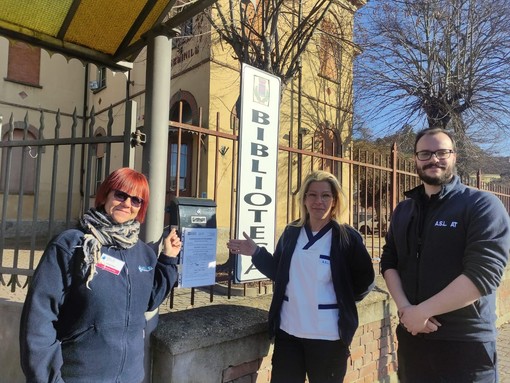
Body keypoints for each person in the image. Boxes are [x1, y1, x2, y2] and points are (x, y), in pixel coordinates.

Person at [19, 167, 182, 383]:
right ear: (105, 195)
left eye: (136, 200)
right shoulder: (72, 245)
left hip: (130, 376)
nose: (127, 203)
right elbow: (39, 319)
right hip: (79, 375)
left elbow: (149, 301)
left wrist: (168, 260)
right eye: (121, 194)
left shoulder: (143, 253)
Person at [380, 127, 510, 382]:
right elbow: (389, 261)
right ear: (415, 159)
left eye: (442, 152)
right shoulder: (403, 210)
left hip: (465, 344)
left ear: (454, 156)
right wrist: (407, 310)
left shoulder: (481, 205)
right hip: (413, 339)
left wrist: (422, 312)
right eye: (425, 153)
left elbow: (483, 275)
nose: (433, 159)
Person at [227, 170, 375, 383]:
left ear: (334, 201)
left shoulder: (346, 237)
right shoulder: (292, 232)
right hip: (289, 333)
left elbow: (365, 282)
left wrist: (341, 300)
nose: (318, 201)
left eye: (326, 196)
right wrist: (256, 253)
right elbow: (278, 271)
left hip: (328, 336)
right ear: (304, 199)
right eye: (312, 195)